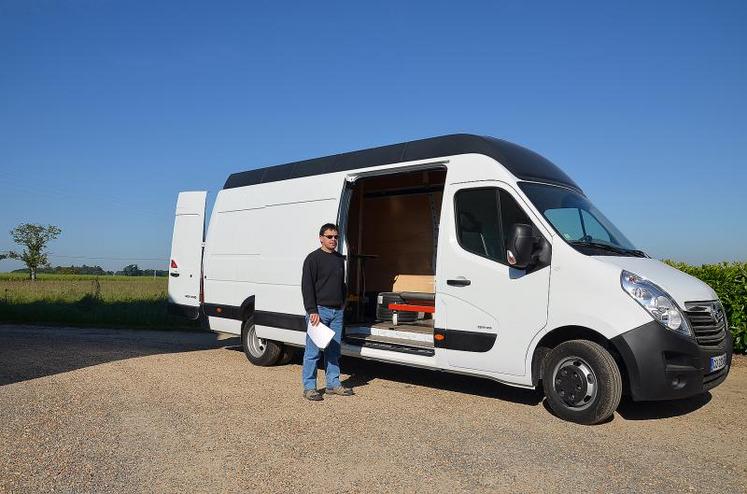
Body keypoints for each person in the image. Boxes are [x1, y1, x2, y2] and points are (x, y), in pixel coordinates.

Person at [300, 223, 354, 401]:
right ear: (321, 238)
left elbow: (342, 285)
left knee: (334, 351)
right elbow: (307, 287)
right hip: (319, 312)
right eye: (329, 237)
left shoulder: (339, 259)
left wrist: (343, 304)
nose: (333, 240)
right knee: (313, 351)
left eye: (336, 237)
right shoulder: (313, 259)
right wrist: (312, 310)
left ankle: (333, 383)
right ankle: (309, 387)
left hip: (337, 312)